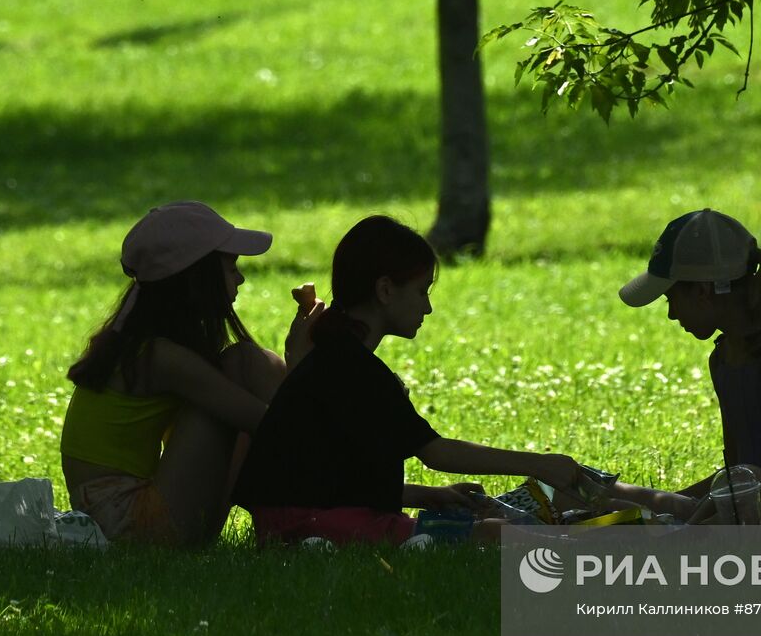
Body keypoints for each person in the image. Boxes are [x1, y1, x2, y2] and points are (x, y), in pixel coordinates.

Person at [233, 215, 591, 546]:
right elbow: (436, 452)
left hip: (298, 518)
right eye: (422, 291)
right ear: (386, 290)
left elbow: (337, 476)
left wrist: (425, 495)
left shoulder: (335, 359)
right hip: (314, 523)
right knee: (495, 533)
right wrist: (538, 463)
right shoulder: (355, 369)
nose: (427, 308)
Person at [60, 201, 323, 547]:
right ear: (198, 278)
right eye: (231, 268)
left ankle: (310, 510)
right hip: (130, 524)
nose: (241, 277)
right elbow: (271, 426)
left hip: (128, 514)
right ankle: (321, 510)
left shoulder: (146, 345)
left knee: (251, 363)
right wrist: (300, 359)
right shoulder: (160, 357)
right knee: (247, 364)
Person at [614, 209, 761, 524]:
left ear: (702, 293)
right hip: (744, 504)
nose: (671, 315)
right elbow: (735, 472)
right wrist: (684, 502)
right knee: (625, 499)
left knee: (717, 500)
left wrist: (712, 505)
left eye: (670, 299)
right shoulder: (723, 359)